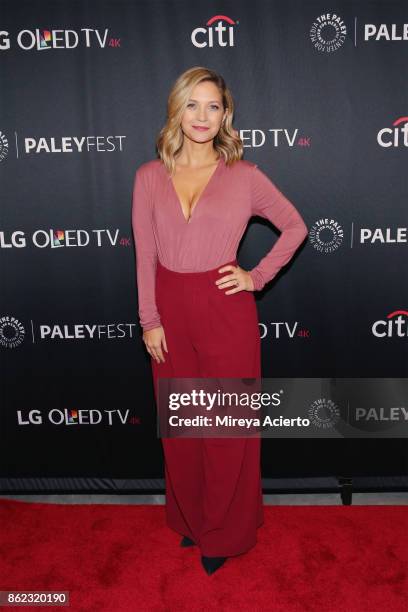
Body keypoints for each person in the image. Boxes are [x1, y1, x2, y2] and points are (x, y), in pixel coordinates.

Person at [132, 66, 308, 575]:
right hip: (168, 310)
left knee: (226, 426)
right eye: (193, 104)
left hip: (225, 307)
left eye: (213, 106)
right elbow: (145, 255)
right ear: (177, 110)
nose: (202, 116)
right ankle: (193, 521)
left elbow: (295, 226)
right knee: (184, 426)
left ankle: (225, 533)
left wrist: (257, 277)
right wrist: (149, 319)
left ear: (225, 114)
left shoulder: (244, 176)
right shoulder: (148, 176)